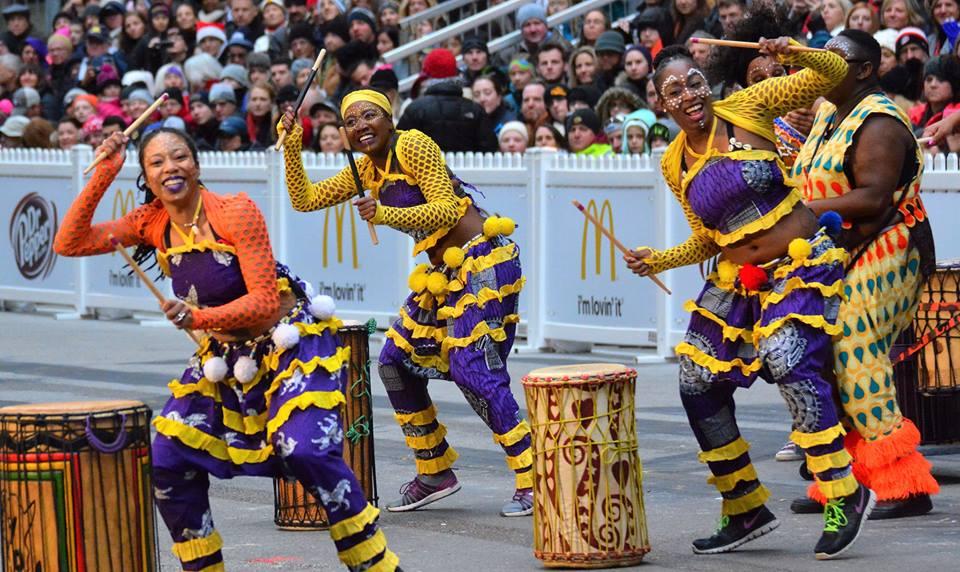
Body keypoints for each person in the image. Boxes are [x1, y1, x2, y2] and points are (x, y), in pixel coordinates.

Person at [52, 127, 401, 572]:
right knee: (167, 458)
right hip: (225, 358)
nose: (170, 168)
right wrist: (105, 172)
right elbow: (68, 243)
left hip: (290, 344)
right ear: (146, 175)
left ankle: (376, 566)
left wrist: (197, 319)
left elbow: (263, 300)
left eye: (179, 157)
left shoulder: (236, 210)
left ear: (196, 166)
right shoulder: (151, 222)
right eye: (156, 163)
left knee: (307, 452)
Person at [627, 39, 875, 559]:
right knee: (696, 382)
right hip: (738, 276)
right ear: (661, 105)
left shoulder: (747, 107)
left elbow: (830, 73)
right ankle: (743, 507)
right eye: (675, 90)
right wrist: (661, 259)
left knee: (787, 357)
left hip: (799, 261)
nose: (690, 95)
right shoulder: (674, 163)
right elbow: (709, 237)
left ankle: (842, 494)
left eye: (694, 81)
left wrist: (796, 50)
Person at [280, 89, 534, 518]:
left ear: (389, 117)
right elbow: (304, 200)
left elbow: (445, 210)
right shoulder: (365, 170)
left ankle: (534, 475)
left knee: (473, 367)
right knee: (394, 361)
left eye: (369, 115)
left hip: (485, 262)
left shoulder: (412, 144)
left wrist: (383, 213)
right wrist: (291, 145)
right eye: (351, 120)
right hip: (444, 275)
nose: (361, 125)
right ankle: (435, 470)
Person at [790, 29, 940, 520]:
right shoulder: (828, 112)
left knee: (856, 347)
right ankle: (845, 483)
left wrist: (799, 212)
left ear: (863, 70)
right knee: (824, 355)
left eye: (837, 58)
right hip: (840, 249)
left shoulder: (878, 121)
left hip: (890, 247)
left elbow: (873, 197)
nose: (824, 64)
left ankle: (905, 486)